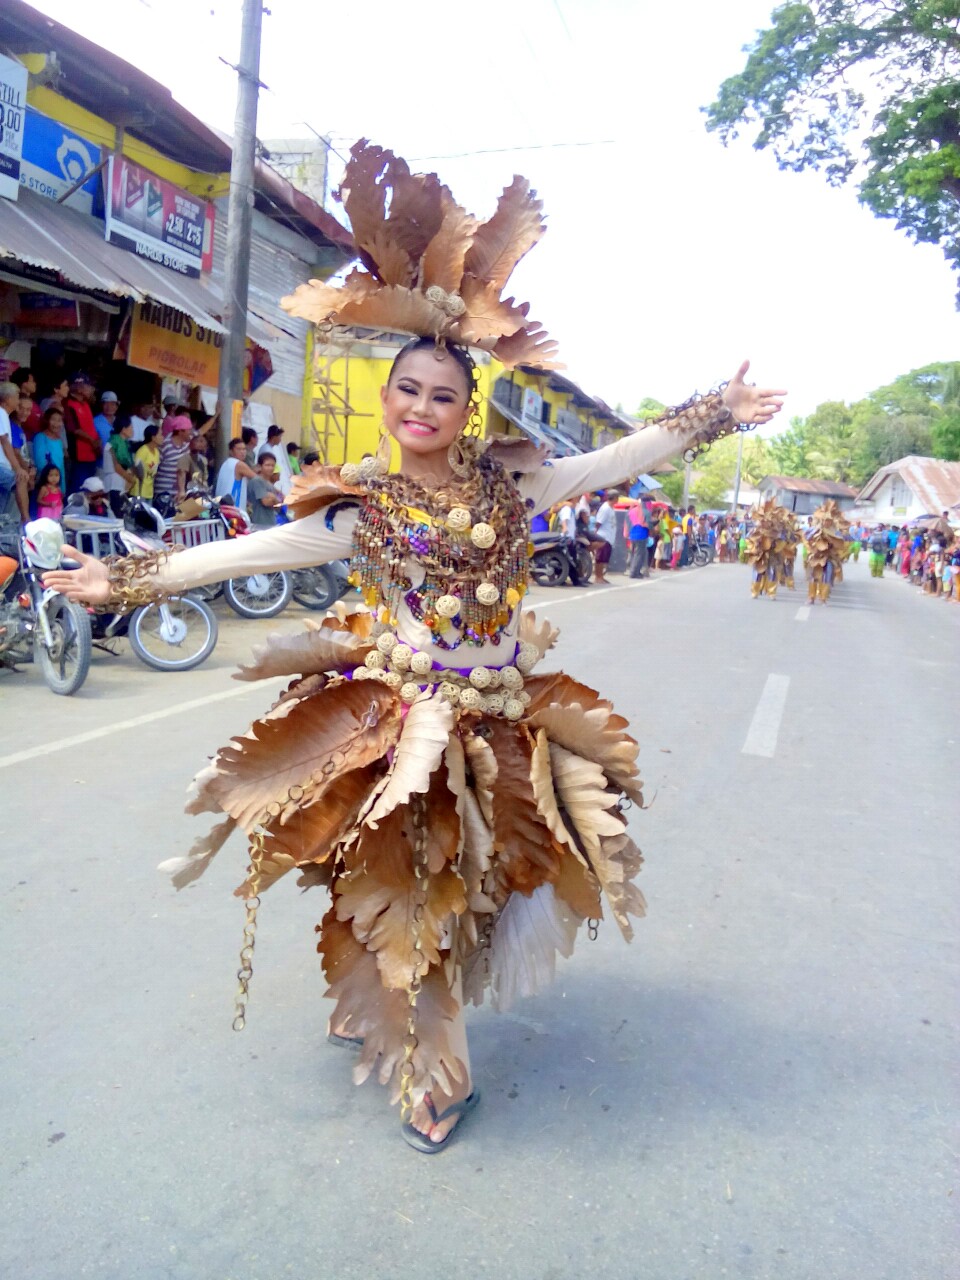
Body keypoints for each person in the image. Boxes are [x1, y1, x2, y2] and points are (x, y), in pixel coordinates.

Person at [45, 142, 785, 1154]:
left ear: (464, 407)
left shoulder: (517, 488)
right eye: (409, 392)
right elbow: (244, 552)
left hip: (503, 724)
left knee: (476, 896)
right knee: (422, 887)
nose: (422, 409)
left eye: (443, 395)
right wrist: (120, 579)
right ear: (389, 399)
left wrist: (712, 412)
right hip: (403, 734)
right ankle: (431, 1074)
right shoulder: (365, 510)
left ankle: (391, 1009)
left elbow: (623, 454)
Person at [63, 374, 101, 488]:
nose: (91, 389)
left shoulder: (86, 404)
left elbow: (90, 426)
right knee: (78, 488)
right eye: (88, 386)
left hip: (91, 454)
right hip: (78, 456)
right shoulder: (69, 404)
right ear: (79, 388)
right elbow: (73, 429)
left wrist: (97, 440)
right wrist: (92, 440)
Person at [0, 380, 31, 520]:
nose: (18, 401)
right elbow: (5, 443)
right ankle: (26, 519)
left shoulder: (3, 415)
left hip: (4, 466)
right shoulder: (1, 413)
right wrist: (18, 468)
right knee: (21, 479)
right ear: (8, 399)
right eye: (17, 397)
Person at [154, 415, 194, 506]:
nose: (190, 433)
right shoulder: (165, 445)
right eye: (188, 430)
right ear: (180, 431)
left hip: (178, 494)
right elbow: (155, 466)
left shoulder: (186, 446)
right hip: (163, 492)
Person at [101, 420, 137, 513]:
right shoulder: (112, 444)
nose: (133, 430)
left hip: (123, 485)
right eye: (131, 427)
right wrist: (131, 479)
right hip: (113, 484)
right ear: (123, 429)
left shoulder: (126, 444)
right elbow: (117, 467)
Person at [215, 436, 257, 512]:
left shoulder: (225, 463)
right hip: (234, 509)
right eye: (239, 449)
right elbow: (257, 479)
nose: (242, 452)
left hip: (222, 508)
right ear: (231, 451)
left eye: (244, 449)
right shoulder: (239, 464)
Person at [32, 408, 68, 493]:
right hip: (45, 486)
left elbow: (61, 466)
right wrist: (51, 483)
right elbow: (40, 463)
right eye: (53, 420)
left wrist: (62, 488)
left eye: (59, 420)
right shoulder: (40, 437)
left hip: (57, 486)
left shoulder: (59, 441)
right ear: (47, 421)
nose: (56, 424)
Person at [248, 451, 284, 528]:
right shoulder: (257, 481)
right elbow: (266, 502)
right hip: (259, 524)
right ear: (260, 467)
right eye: (267, 465)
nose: (270, 468)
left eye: (272, 465)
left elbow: (278, 505)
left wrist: (274, 498)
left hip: (270, 522)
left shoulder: (268, 483)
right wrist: (276, 499)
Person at [11, 368, 42, 439]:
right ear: (24, 383)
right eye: (32, 381)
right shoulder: (15, 402)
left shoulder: (33, 402)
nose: (35, 383)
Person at [593, 491, 617, 583]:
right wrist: (595, 534)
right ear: (614, 498)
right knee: (600, 558)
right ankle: (597, 577)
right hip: (603, 536)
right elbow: (599, 522)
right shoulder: (605, 508)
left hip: (609, 537)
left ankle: (601, 576)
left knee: (604, 559)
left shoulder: (611, 508)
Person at [133, 425, 162, 499]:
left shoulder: (157, 452)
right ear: (153, 438)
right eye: (160, 435)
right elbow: (136, 468)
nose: (163, 437)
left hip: (149, 492)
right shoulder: (143, 451)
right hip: (139, 492)